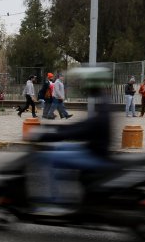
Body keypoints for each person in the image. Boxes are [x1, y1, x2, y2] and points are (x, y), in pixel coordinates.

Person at [31, 67, 114, 215]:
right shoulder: (103, 100)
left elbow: (83, 130)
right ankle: (65, 189)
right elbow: (83, 126)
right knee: (59, 148)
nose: (82, 86)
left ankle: (55, 202)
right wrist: (57, 131)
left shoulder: (102, 105)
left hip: (96, 156)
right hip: (94, 149)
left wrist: (50, 135)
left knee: (48, 157)